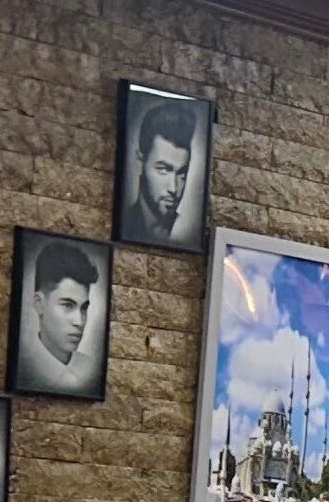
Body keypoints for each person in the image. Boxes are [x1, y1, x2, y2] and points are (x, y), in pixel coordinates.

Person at [19, 239, 103, 395]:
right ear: (39, 303)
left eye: (84, 308)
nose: (79, 322)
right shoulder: (25, 365)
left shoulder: (92, 371)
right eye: (67, 306)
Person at [119, 96, 200, 247]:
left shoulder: (187, 234)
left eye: (181, 174)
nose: (174, 188)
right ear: (140, 162)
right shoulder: (126, 224)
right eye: (163, 169)